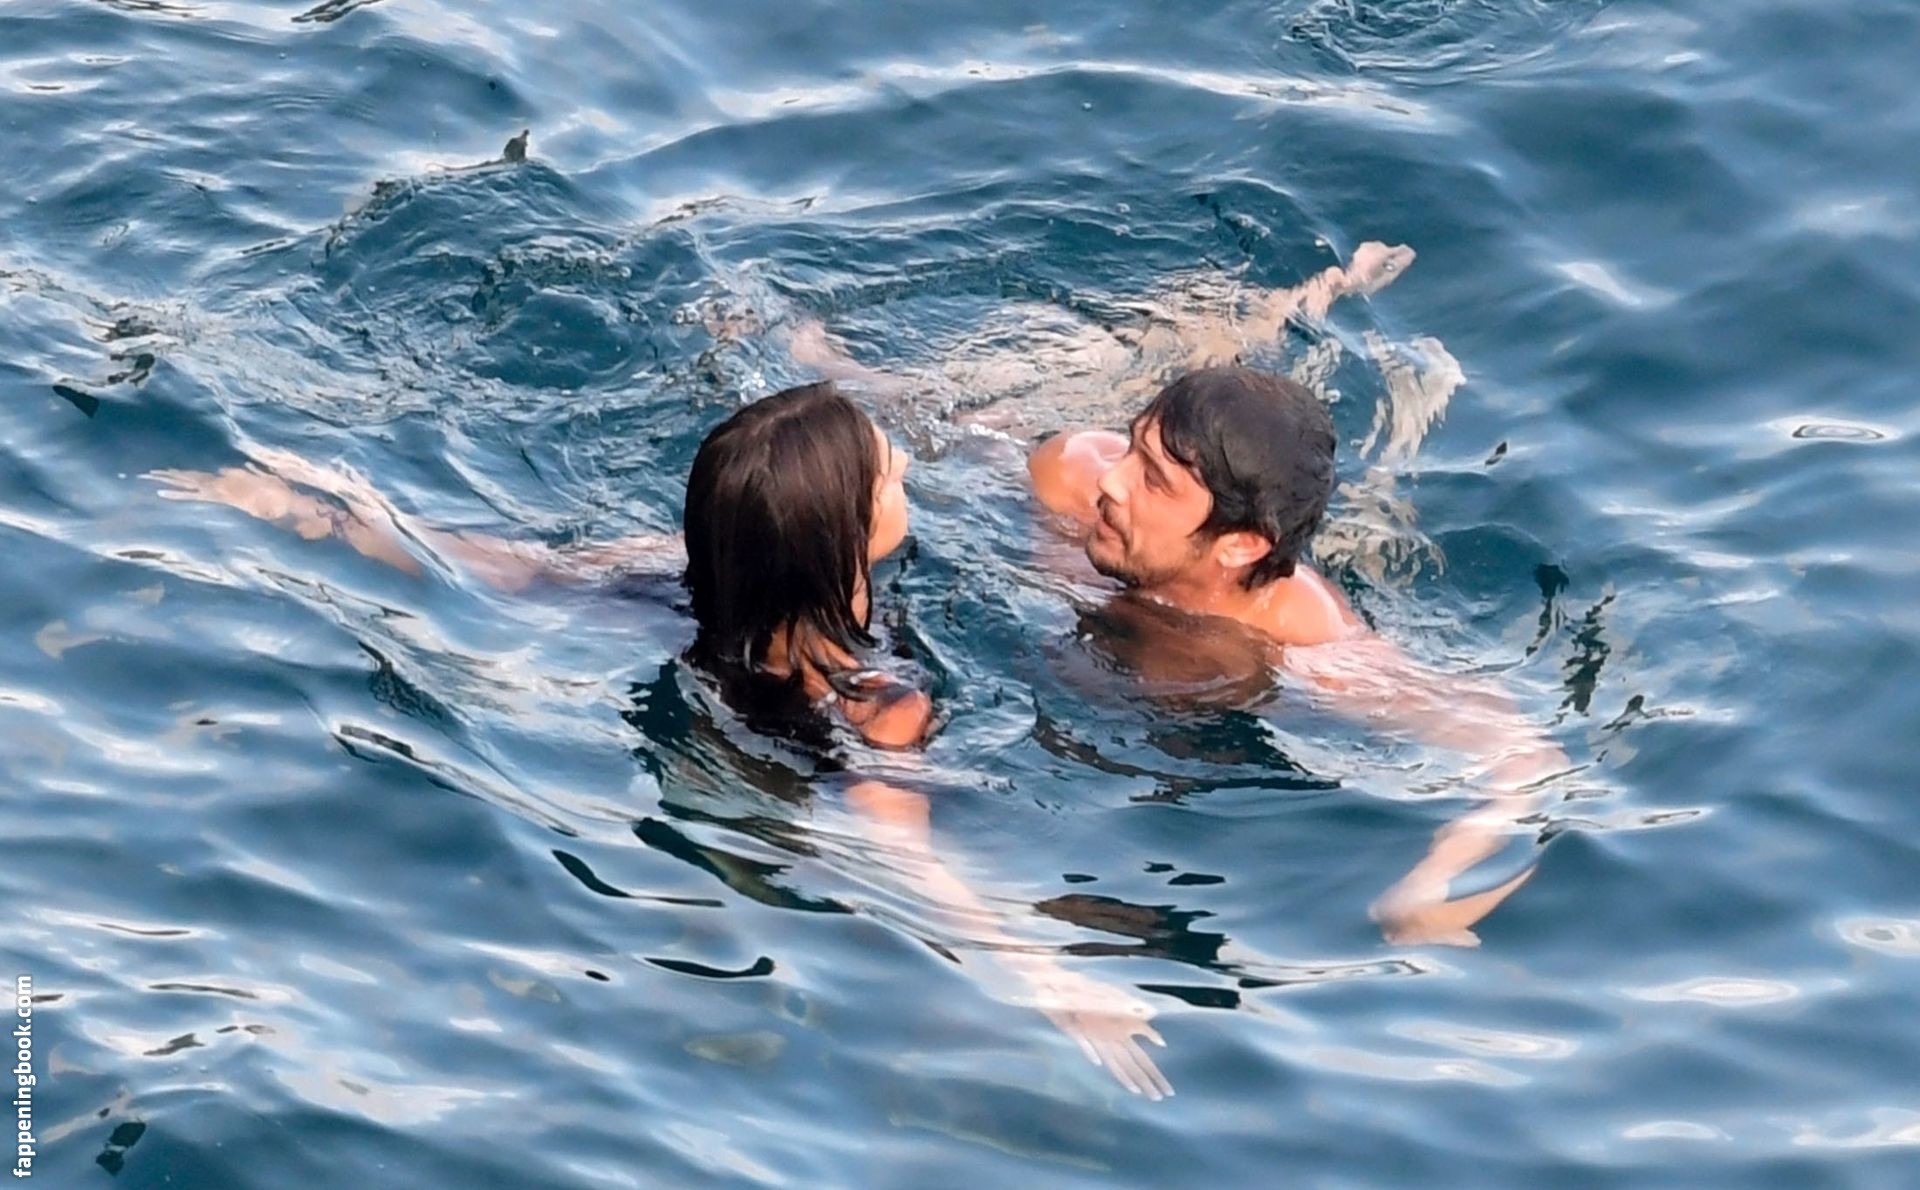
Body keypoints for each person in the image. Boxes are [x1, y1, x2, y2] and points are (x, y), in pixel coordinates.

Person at [149, 380, 1176, 1099]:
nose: (903, 465)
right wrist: (1051, 979)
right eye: (887, 479)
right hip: (785, 840)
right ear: (844, 544)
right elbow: (904, 855)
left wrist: (299, 501)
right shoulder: (879, 702)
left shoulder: (668, 580)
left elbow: (483, 563)